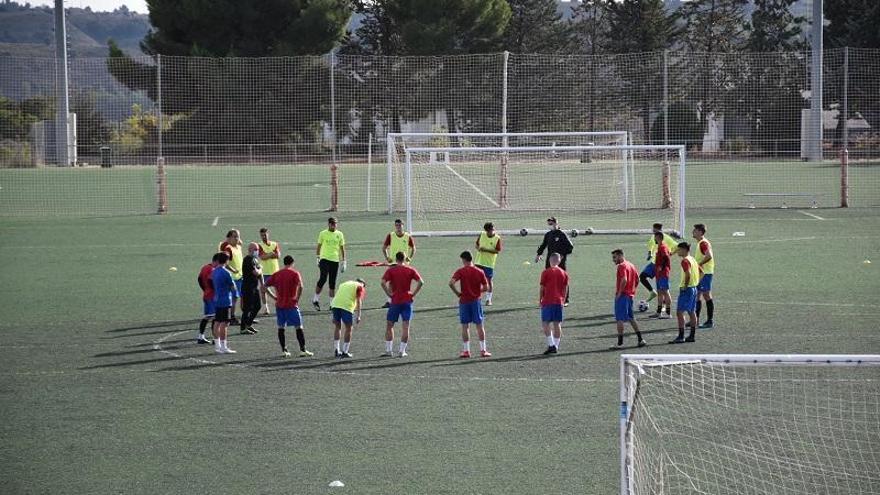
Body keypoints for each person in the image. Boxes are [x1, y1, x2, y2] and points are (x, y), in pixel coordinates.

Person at [265, 255, 313, 358]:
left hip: (280, 306)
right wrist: (297, 298)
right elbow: (301, 286)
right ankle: (302, 350)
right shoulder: (295, 273)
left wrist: (274, 297)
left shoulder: (277, 274)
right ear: (292, 263)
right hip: (291, 305)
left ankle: (284, 350)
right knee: (298, 327)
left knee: (281, 327)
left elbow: (264, 287)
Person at [380, 251, 424, 357]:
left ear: (396, 259)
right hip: (407, 301)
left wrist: (389, 294)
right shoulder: (410, 270)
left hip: (395, 301)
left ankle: (389, 351)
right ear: (404, 259)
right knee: (405, 327)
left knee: (390, 325)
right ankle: (402, 351)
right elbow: (421, 282)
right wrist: (413, 294)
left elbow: (382, 282)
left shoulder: (391, 270)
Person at [449, 251, 491, 358]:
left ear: (464, 259)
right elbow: (486, 287)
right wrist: (478, 291)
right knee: (479, 326)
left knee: (465, 326)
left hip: (464, 301)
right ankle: (483, 350)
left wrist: (458, 293)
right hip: (475, 301)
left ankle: (466, 351)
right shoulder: (479, 271)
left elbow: (451, 283)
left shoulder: (461, 271)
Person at [535, 216, 574, 306]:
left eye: (551, 224)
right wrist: (538, 254)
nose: (550, 225)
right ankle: (545, 299)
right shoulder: (548, 235)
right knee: (547, 280)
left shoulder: (562, 234)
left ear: (556, 223)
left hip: (560, 262)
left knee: (562, 280)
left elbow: (570, 247)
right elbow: (543, 245)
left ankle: (565, 300)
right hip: (550, 261)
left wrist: (562, 255)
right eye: (549, 224)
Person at [612, 249, 646, 348]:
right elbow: (637, 279)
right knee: (631, 318)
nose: (613, 260)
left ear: (620, 256)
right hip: (630, 296)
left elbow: (624, 280)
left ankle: (620, 343)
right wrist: (632, 290)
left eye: (614, 257)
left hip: (623, 296)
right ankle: (640, 339)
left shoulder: (622, 266)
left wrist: (619, 293)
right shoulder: (631, 265)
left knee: (620, 319)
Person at [639, 223, 678, 309]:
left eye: (654, 230)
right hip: (653, 263)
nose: (652, 232)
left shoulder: (667, 239)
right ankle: (652, 292)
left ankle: (664, 307)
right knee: (642, 276)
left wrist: (670, 254)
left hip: (661, 267)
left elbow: (677, 246)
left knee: (663, 288)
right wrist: (650, 253)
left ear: (658, 230)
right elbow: (651, 244)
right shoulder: (654, 237)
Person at [381, 218, 417, 308]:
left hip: (404, 264)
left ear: (403, 225)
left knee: (405, 282)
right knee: (391, 283)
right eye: (396, 225)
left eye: (400, 225)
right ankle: (389, 301)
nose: (398, 227)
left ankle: (406, 299)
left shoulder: (408, 236)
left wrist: (409, 258)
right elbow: (384, 248)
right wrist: (387, 257)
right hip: (393, 263)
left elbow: (413, 248)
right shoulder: (391, 235)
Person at [312, 217, 346, 311]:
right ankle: (315, 299)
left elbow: (342, 248)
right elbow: (319, 246)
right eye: (333, 224)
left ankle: (332, 303)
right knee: (323, 278)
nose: (334, 226)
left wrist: (344, 261)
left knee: (332, 282)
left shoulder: (340, 234)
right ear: (329, 224)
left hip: (335, 260)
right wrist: (318, 257)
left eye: (336, 224)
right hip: (324, 259)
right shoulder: (323, 233)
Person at [539, 253, 569, 355]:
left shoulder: (546, 272)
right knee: (557, 324)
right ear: (559, 261)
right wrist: (563, 300)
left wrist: (540, 299)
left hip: (548, 300)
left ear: (549, 260)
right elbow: (565, 288)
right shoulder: (564, 273)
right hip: (559, 301)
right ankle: (556, 346)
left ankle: (551, 345)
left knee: (545, 323)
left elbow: (542, 287)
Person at [329, 278, 367, 358]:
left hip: (335, 304)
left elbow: (338, 295)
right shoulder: (360, 286)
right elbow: (359, 301)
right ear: (363, 284)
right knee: (349, 328)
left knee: (337, 327)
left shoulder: (344, 283)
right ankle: (345, 351)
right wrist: (359, 315)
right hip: (346, 306)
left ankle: (336, 349)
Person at [670, 242, 699, 344]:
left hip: (687, 289)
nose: (677, 251)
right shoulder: (693, 259)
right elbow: (702, 272)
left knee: (680, 312)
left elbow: (688, 274)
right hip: (694, 288)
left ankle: (681, 336)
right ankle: (691, 336)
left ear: (684, 249)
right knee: (692, 312)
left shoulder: (685, 261)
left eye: (679, 249)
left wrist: (686, 286)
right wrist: (695, 282)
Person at [211, 252, 237, 354]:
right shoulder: (226, 273)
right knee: (225, 324)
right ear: (227, 260)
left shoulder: (214, 271)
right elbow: (233, 287)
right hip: (225, 300)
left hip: (217, 299)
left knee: (217, 322)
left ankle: (217, 346)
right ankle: (224, 346)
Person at [693, 223, 715, 329]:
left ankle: (710, 321)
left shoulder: (703, 243)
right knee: (697, 295)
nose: (693, 232)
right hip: (701, 273)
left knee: (706, 295)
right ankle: (695, 320)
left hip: (705, 273)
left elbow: (709, 256)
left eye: (695, 230)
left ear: (700, 232)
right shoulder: (700, 243)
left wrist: (699, 264)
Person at [474, 222, 502, 306]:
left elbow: (497, 251)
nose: (493, 231)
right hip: (478, 261)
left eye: (493, 229)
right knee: (476, 281)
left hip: (489, 263)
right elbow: (476, 245)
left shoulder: (497, 238)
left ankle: (488, 299)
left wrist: (485, 250)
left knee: (489, 281)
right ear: (487, 231)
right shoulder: (482, 234)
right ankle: (476, 297)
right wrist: (479, 248)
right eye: (491, 230)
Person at [219, 229, 244, 323]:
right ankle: (231, 317)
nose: (237, 238)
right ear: (229, 238)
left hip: (241, 276)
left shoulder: (238, 247)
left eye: (238, 236)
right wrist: (233, 270)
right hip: (233, 278)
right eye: (235, 236)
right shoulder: (228, 248)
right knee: (234, 297)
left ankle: (244, 315)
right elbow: (225, 263)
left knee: (242, 296)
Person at [239, 242, 263, 335]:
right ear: (250, 250)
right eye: (255, 249)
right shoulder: (248, 259)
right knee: (247, 308)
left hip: (254, 286)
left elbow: (258, 272)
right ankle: (243, 328)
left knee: (257, 306)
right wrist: (261, 269)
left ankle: (248, 324)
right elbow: (256, 272)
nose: (257, 251)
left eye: (257, 249)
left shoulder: (255, 259)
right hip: (248, 287)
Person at [196, 253, 220, 344]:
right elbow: (211, 281)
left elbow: (199, 279)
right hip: (212, 296)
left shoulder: (205, 267)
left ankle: (201, 336)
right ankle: (215, 339)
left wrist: (204, 289)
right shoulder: (213, 269)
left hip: (207, 295)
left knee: (207, 317)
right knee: (215, 317)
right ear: (217, 261)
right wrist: (215, 290)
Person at [648, 231, 673, 319]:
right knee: (659, 292)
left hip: (663, 274)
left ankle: (668, 313)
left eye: (655, 237)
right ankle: (658, 312)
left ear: (658, 237)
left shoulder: (662, 247)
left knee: (665, 291)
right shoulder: (660, 246)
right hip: (659, 274)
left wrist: (661, 267)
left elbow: (666, 257)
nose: (654, 239)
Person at [258, 227, 281, 316]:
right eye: (262, 235)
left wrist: (268, 255)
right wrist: (271, 254)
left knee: (278, 289)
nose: (264, 237)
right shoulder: (259, 245)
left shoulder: (274, 244)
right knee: (263, 289)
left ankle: (279, 303)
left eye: (265, 234)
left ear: (268, 234)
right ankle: (265, 307)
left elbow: (278, 255)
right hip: (265, 271)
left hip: (275, 271)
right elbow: (262, 257)